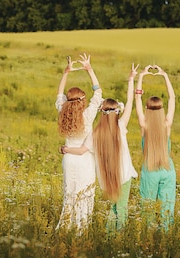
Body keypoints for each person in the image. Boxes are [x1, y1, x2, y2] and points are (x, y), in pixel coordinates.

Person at [63, 64, 139, 232]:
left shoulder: (95, 133)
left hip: (106, 179)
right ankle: (118, 238)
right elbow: (130, 102)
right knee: (122, 208)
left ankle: (109, 236)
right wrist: (132, 79)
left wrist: (66, 149)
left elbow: (82, 150)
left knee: (113, 209)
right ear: (117, 112)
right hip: (124, 175)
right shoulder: (120, 126)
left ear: (101, 112)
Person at [55, 53, 102, 232]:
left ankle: (66, 228)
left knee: (70, 195)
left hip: (68, 158)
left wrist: (66, 72)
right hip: (84, 160)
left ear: (67, 101)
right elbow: (98, 93)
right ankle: (81, 229)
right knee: (85, 195)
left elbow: (59, 94)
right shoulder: (87, 116)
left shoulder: (62, 112)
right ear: (82, 101)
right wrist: (89, 69)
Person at [135, 64, 176, 231]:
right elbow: (173, 98)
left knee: (148, 207)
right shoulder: (167, 124)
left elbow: (137, 98)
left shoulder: (144, 124)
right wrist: (164, 75)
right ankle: (165, 233)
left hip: (149, 170)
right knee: (167, 207)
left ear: (146, 109)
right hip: (167, 169)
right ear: (162, 109)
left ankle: (149, 236)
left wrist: (142, 76)